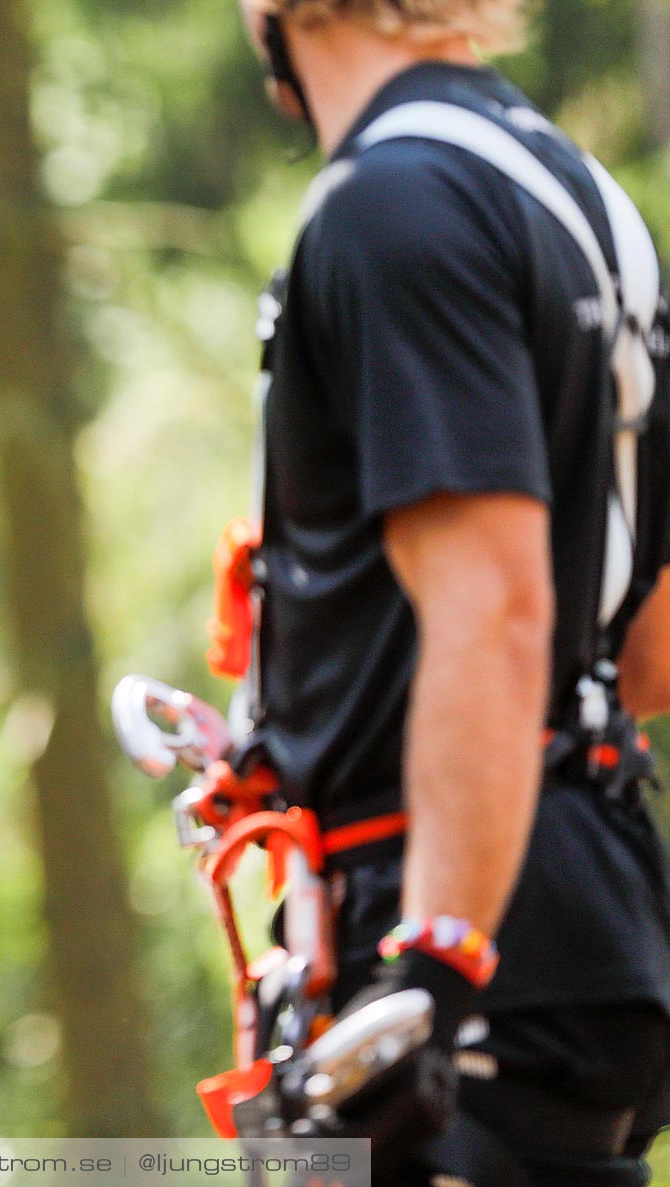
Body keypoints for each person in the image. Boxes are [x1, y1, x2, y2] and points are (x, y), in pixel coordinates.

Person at [234, 0, 670, 1181]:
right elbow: (647, 648)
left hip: (457, 949)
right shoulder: (583, 197)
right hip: (589, 915)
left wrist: (433, 966)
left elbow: (496, 609)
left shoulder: (393, 200)